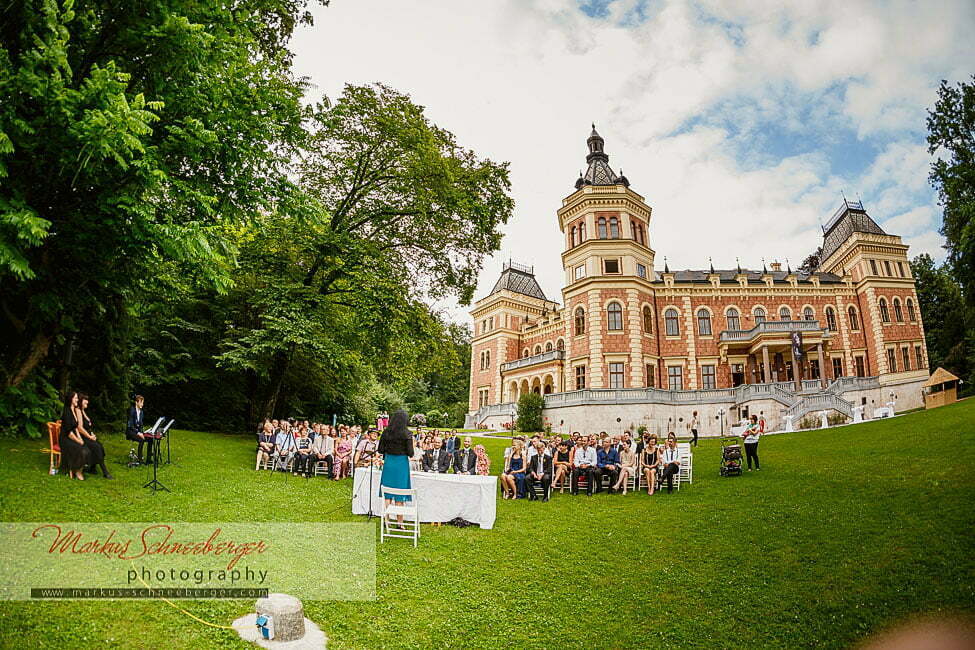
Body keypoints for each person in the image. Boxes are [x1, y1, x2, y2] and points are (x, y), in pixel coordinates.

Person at [378, 409, 414, 529]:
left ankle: (386, 519)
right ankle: (400, 522)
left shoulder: (386, 433)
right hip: (401, 465)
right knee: (400, 492)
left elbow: (380, 450)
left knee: (387, 493)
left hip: (389, 463)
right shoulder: (407, 434)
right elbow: (411, 453)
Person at [75, 393, 112, 479]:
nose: (87, 402)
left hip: (88, 435)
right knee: (96, 447)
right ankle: (105, 472)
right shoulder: (78, 410)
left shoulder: (83, 411)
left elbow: (88, 426)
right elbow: (80, 427)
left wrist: (92, 434)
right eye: (85, 401)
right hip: (82, 436)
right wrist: (89, 436)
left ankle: (92, 468)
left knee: (99, 446)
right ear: (80, 401)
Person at [58, 391, 90, 480]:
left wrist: (80, 437)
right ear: (70, 399)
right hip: (65, 438)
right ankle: (76, 470)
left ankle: (80, 468)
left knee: (86, 448)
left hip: (72, 436)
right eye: (75, 398)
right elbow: (69, 431)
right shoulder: (67, 412)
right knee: (81, 449)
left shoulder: (73, 410)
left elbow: (75, 427)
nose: (77, 400)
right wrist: (77, 440)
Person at [125, 395, 148, 464]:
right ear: (136, 402)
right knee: (142, 440)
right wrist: (138, 433)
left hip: (137, 431)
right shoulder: (131, 410)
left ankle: (149, 459)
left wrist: (142, 432)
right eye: (141, 402)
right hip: (130, 431)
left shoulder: (141, 412)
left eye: (143, 403)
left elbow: (141, 425)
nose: (142, 404)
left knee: (150, 438)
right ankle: (140, 459)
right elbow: (130, 425)